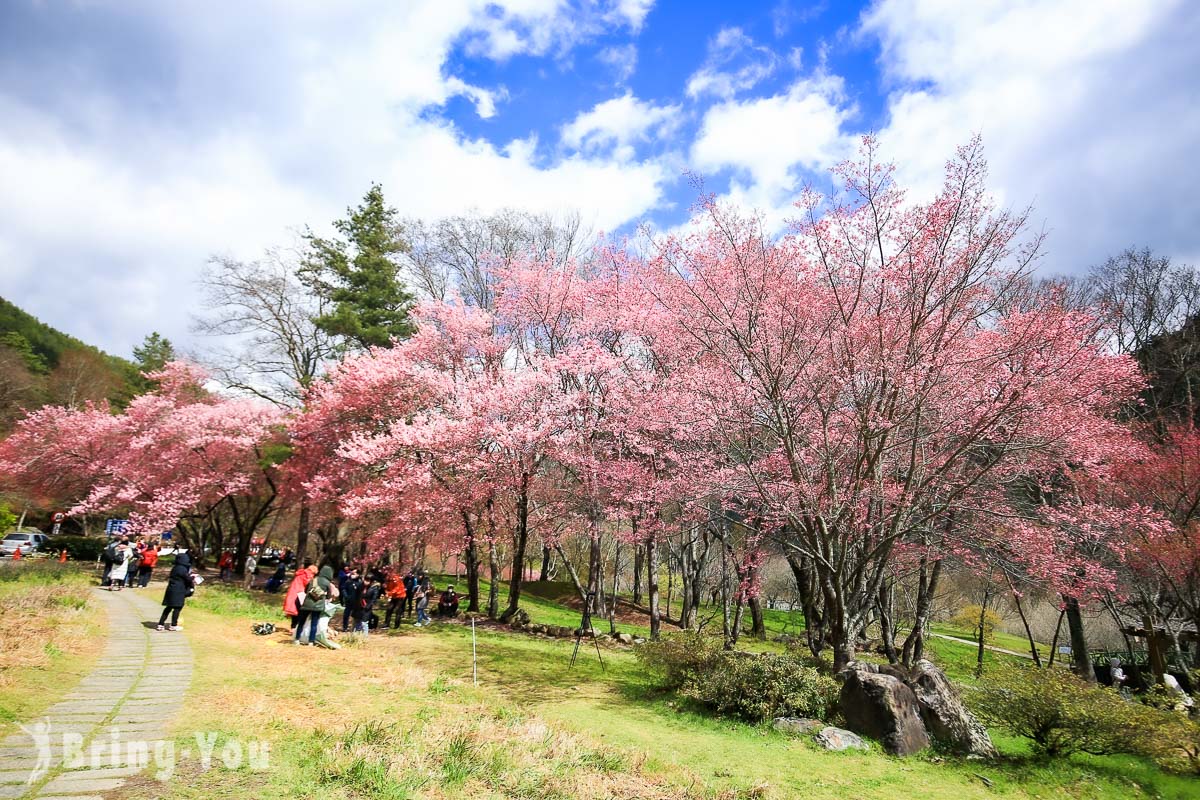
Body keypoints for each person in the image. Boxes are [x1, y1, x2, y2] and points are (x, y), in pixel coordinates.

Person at [158, 549, 196, 631]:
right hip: (179, 590)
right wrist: (193, 578)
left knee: (168, 608)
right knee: (177, 608)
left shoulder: (175, 567)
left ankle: (160, 624)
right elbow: (187, 578)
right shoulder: (182, 568)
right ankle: (173, 625)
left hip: (171, 589)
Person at [295, 565, 333, 645]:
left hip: (307, 604)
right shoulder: (327, 583)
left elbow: (305, 590)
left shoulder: (313, 580)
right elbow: (329, 596)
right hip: (317, 606)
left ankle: (297, 639)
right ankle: (311, 642)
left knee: (301, 622)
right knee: (314, 624)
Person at [284, 562, 317, 630]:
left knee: (294, 611)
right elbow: (308, 585)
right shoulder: (307, 576)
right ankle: (296, 627)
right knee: (299, 611)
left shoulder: (301, 573)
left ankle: (293, 626)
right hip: (299, 594)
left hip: (293, 593)